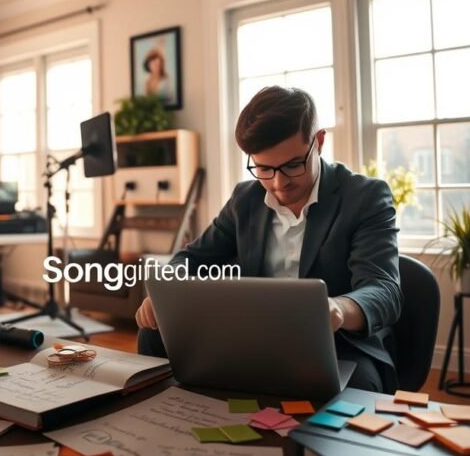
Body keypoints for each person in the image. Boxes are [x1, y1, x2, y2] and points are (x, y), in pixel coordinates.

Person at [135, 86, 403, 392]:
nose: (278, 183)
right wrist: (166, 294)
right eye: (263, 168)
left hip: (337, 343)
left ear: (319, 142)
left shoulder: (365, 196)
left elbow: (384, 291)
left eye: (292, 165)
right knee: (153, 333)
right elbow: (191, 258)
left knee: (360, 386)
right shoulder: (245, 199)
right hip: (253, 338)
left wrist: (338, 309)